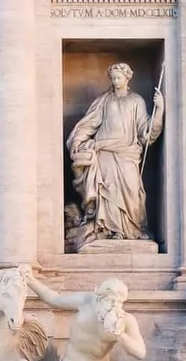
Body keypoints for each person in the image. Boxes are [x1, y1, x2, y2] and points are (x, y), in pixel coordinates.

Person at [66, 62, 164, 245]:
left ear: (127, 78)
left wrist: (159, 109)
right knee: (108, 191)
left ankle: (134, 229)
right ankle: (112, 230)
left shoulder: (136, 101)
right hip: (104, 152)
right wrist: (78, 141)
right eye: (113, 78)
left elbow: (146, 131)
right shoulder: (104, 101)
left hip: (127, 153)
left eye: (118, 77)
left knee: (132, 191)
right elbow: (90, 124)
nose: (115, 81)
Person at [24, 275, 146, 361]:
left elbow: (140, 353)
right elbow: (54, 299)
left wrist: (120, 336)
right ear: (100, 298)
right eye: (111, 301)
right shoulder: (85, 301)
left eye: (119, 302)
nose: (114, 306)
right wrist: (30, 280)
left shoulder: (125, 320)